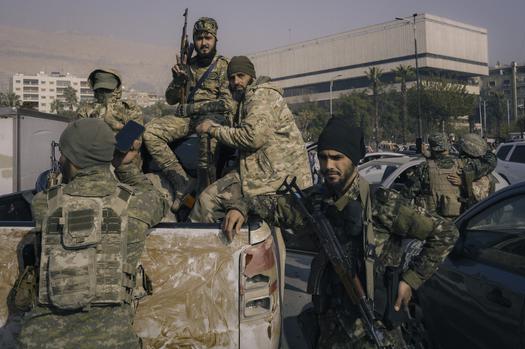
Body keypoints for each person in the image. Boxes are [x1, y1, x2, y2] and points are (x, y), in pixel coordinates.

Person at [221, 118, 459, 348]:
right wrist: (241, 206)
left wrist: (410, 280)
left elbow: (445, 233)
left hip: (372, 328)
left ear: (354, 160)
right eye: (323, 157)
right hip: (330, 327)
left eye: (337, 158)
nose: (328, 166)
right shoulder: (316, 200)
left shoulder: (382, 202)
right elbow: (274, 206)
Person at [18, 119, 167, 348]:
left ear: (74, 160)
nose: (60, 159)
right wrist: (122, 165)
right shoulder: (137, 204)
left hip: (40, 340)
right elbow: (157, 198)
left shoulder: (43, 204)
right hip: (113, 341)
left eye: (64, 154)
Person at [190, 55, 312, 223]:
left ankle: (198, 245)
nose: (236, 82)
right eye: (232, 78)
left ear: (251, 77)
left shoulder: (261, 96)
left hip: (279, 181)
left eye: (241, 76)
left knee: (207, 202)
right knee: (210, 197)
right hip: (265, 173)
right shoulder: (245, 101)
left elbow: (251, 137)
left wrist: (212, 129)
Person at [143, 17, 234, 212]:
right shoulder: (188, 65)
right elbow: (170, 99)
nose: (204, 43)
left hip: (213, 121)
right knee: (150, 132)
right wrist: (178, 80)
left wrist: (193, 109)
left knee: (206, 142)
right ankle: (182, 181)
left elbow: (227, 104)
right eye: (199, 38)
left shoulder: (224, 66)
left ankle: (206, 199)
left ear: (216, 39)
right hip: (188, 120)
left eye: (208, 37)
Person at [76, 68, 145, 185]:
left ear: (117, 89)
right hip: (92, 168)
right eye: (100, 90)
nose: (103, 94)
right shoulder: (85, 111)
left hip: (124, 166)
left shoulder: (131, 109)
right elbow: (80, 143)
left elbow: (129, 144)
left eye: (107, 90)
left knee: (146, 193)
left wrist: (112, 122)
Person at [404, 132, 495, 219]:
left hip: (433, 225)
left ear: (431, 148)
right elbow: (491, 161)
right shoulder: (464, 164)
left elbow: (406, 196)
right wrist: (482, 147)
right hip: (459, 222)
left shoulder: (424, 168)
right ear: (448, 147)